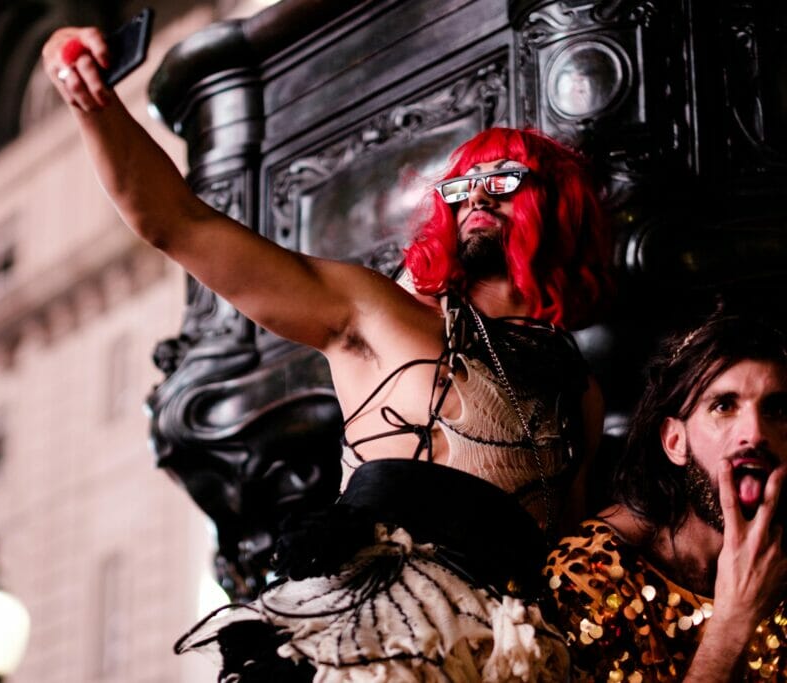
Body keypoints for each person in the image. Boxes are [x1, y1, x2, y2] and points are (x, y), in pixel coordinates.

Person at [43, 26, 612, 682]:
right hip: (362, 645)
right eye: (460, 187)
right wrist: (90, 102)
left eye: (505, 178)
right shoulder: (376, 313)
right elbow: (177, 222)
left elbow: (567, 564)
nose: (478, 195)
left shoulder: (579, 391)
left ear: (558, 203)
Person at [545, 313, 787, 681]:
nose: (755, 433)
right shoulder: (593, 574)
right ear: (675, 442)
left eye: (776, 409)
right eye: (724, 406)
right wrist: (733, 621)